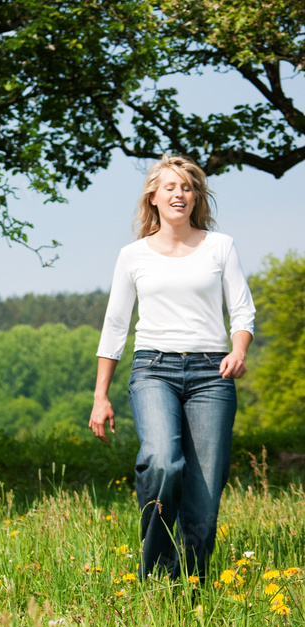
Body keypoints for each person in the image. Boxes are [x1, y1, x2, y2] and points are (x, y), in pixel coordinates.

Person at [88, 154, 255, 582]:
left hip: (212, 375)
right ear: (154, 197)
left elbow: (242, 311)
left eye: (187, 187)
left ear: (196, 197)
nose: (179, 194)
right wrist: (101, 395)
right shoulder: (133, 255)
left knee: (205, 492)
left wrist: (238, 351)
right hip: (153, 369)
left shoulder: (220, 246)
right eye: (170, 187)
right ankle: (158, 574)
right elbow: (115, 326)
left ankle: (192, 584)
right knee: (162, 461)